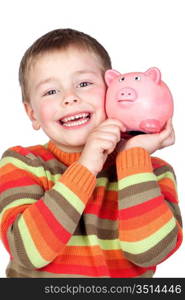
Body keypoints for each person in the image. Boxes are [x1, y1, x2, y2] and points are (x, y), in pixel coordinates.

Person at [0, 28, 182, 278]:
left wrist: (134, 157)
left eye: (84, 84)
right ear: (32, 114)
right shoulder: (22, 163)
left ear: (112, 90)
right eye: (51, 91)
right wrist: (85, 167)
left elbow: (149, 252)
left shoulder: (153, 170)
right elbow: (28, 251)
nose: (70, 98)